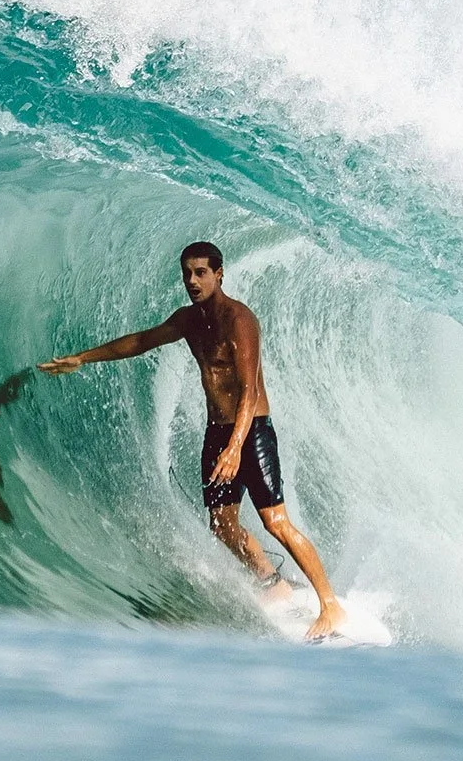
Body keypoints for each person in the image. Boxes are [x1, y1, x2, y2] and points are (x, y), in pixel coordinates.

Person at [39, 241, 348, 641]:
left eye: (201, 272)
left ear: (220, 274)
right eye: (187, 273)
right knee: (221, 526)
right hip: (218, 431)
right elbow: (141, 341)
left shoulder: (239, 321)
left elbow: (250, 390)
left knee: (276, 522)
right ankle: (273, 583)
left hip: (250, 432)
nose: (192, 280)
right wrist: (82, 358)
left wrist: (236, 448)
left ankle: (330, 605)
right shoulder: (189, 321)